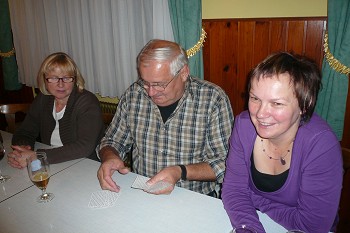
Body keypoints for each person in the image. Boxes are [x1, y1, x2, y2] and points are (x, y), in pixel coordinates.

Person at [221, 52, 343, 232]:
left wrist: (254, 198)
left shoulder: (321, 145)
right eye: (255, 98)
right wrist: (251, 229)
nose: (260, 114)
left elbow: (311, 225)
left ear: (305, 104)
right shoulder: (244, 125)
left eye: (276, 104)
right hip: (253, 217)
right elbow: (233, 191)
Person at [97, 39, 234, 196]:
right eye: (145, 83)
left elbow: (226, 163)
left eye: (159, 84)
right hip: (143, 191)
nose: (150, 93)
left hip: (192, 198)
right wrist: (110, 157)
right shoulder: (133, 95)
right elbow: (112, 141)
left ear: (183, 73)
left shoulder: (212, 99)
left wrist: (180, 172)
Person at [8, 52, 105, 167]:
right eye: (53, 78)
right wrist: (22, 150)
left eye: (67, 78)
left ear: (75, 80)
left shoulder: (87, 101)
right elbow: (25, 132)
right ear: (44, 79)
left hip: (84, 164)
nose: (60, 84)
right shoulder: (43, 99)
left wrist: (35, 156)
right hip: (52, 162)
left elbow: (84, 147)